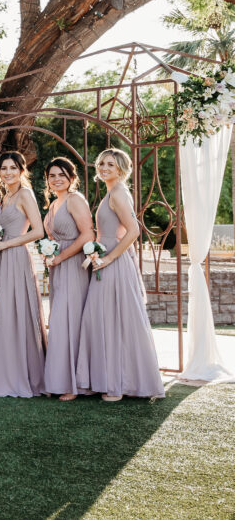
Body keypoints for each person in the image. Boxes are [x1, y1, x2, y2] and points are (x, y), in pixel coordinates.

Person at [76, 148, 165, 401]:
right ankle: (106, 379)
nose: (104, 168)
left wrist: (109, 258)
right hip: (104, 259)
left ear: (121, 170)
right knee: (103, 319)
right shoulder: (110, 192)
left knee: (113, 320)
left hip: (113, 262)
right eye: (102, 163)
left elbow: (134, 231)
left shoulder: (118, 192)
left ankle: (118, 384)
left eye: (111, 165)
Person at [0, 151, 46, 398]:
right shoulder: (5, 197)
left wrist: (5, 245)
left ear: (22, 170)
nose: (8, 172)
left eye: (13, 168)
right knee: (2, 314)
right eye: (3, 168)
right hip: (1, 257)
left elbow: (38, 231)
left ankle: (20, 376)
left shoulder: (25, 194)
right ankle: (5, 375)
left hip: (15, 256)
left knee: (9, 313)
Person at [42, 157, 94, 401]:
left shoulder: (75, 200)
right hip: (57, 267)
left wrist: (61, 256)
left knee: (68, 321)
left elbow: (87, 234)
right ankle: (60, 380)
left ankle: (74, 384)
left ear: (71, 177)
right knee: (59, 321)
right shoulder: (53, 204)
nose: (56, 179)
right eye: (52, 175)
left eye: (61, 174)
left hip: (73, 266)